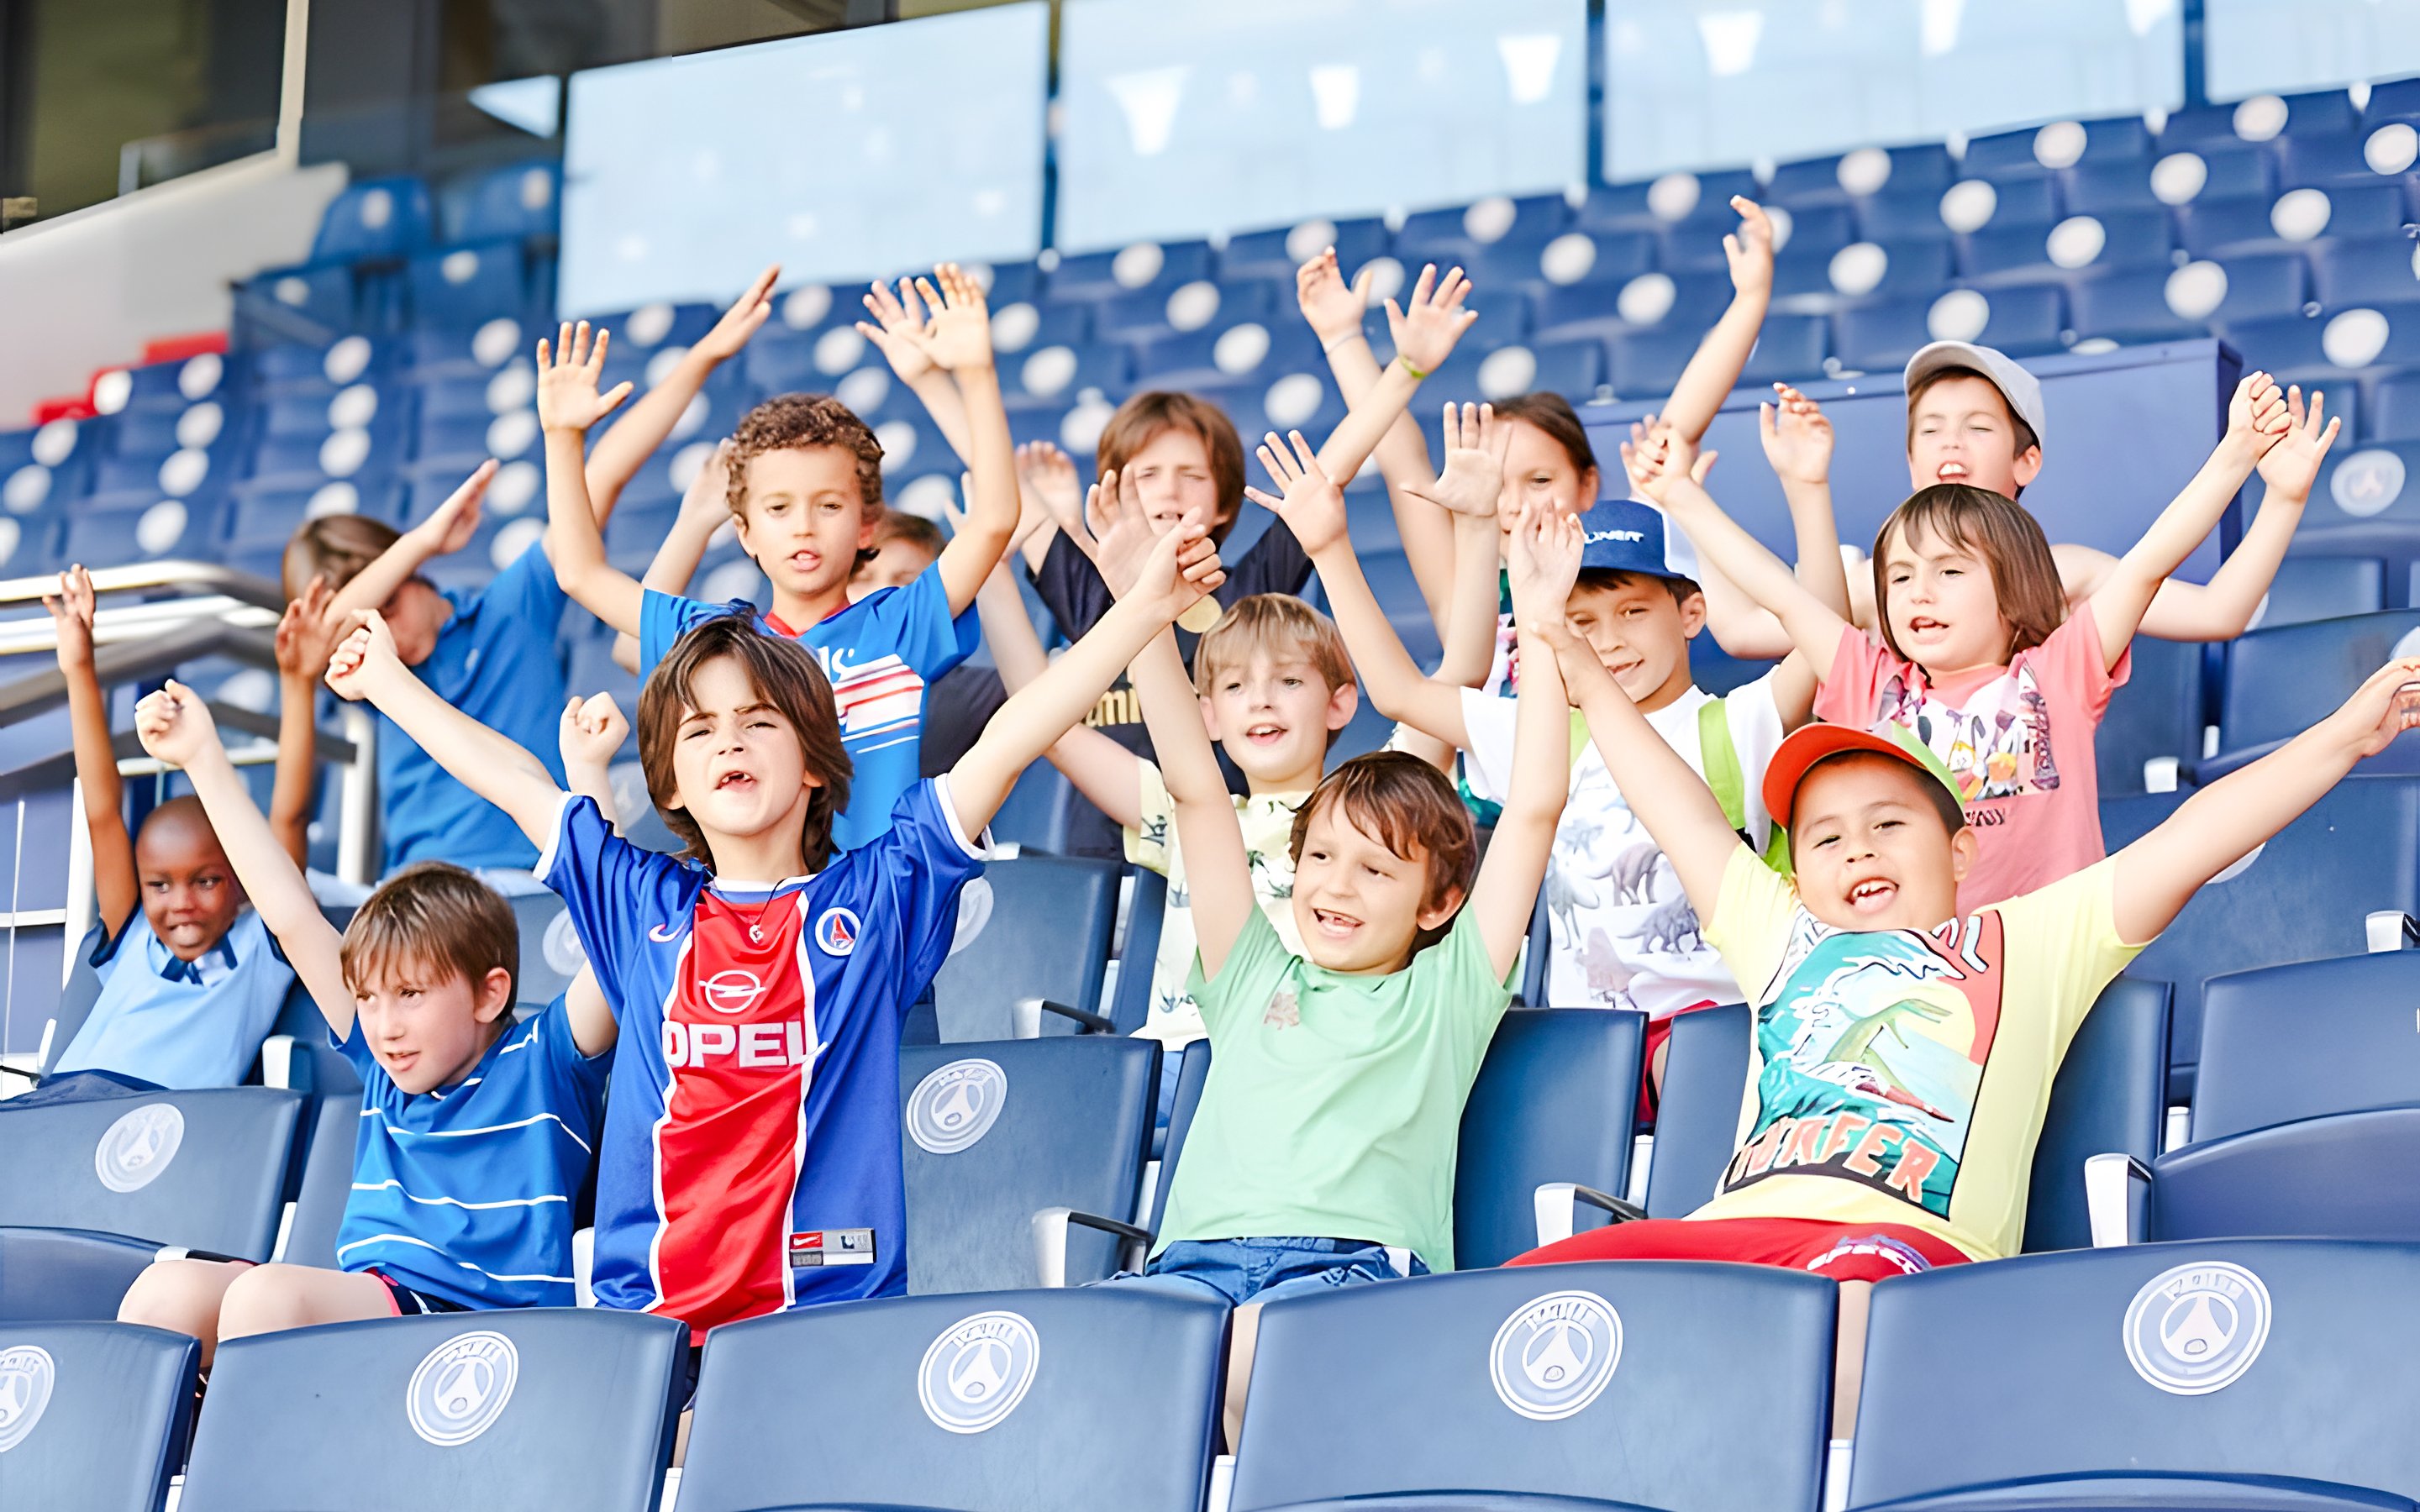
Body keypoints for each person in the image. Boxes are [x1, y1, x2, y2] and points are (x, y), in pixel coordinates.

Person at [319, 472, 1228, 1351]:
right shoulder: (639, 903)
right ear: (671, 777)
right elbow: (516, 782)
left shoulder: (878, 895)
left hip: (827, 1326)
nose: (730, 744)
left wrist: (1142, 610)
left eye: (758, 722)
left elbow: (1008, 741)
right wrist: (392, 685)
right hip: (653, 1335)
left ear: (815, 764)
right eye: (701, 731)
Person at [1508, 615, 2420, 1427]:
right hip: (1731, 1231)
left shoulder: (2031, 937)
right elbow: (1675, 808)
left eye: (1887, 824)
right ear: (1797, 872)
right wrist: (1580, 670)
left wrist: (2344, 735)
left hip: (1903, 1251)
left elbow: (2195, 838)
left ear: (1959, 850)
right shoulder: (1777, 930)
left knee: (1852, 1315)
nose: (1855, 846)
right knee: (1525, 1301)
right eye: (1824, 836)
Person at [1108, 436, 1569, 1449]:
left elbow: (1533, 809)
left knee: (1253, 1377)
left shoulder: (1448, 991)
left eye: (1375, 870)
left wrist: (1535, 624)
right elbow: (1194, 788)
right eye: (1320, 860)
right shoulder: (1251, 970)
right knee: (1114, 1387)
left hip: (1350, 1266)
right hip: (1193, 1262)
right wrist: (1140, 612)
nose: (1333, 888)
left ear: (1440, 902)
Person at [1627, 369, 2325, 906]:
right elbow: (1777, 593)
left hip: (2046, 959)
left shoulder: (2061, 671)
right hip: (1918, 965)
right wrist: (1681, 497)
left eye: (1949, 572)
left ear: (2015, 587)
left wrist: (2241, 458)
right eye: (1898, 579)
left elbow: (2149, 562)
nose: (1917, 593)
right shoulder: (1869, 679)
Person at [1315, 407, 1814, 1102]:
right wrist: (1328, 546)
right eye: (1581, 621)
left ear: (1691, 613)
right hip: (1580, 1038)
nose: (1608, 640)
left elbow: (1823, 633)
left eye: (1633, 611)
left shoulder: (1737, 722)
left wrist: (1805, 492)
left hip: (1711, 1030)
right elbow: (1399, 692)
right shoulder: (1545, 731)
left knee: (1698, 1099)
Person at [113, 684, 614, 1362]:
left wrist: (589, 776)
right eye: (370, 998)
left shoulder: (545, 1058)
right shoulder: (383, 1066)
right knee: (162, 1293)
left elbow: (613, 936)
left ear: (490, 994)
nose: (384, 1025)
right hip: (375, 1301)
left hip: (478, 1329)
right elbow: (290, 916)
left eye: (410, 994)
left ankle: (248, 1454)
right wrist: (203, 756)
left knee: (268, 1301)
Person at [539, 267, 1016, 852]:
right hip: (752, 921)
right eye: (779, 508)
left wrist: (975, 374)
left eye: (829, 505)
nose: (804, 528)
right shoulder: (712, 640)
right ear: (744, 532)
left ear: (867, 522)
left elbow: (995, 518)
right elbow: (579, 572)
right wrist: (562, 438)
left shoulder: (898, 628)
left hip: (877, 918)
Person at [1701, 340, 2333, 655]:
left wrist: (2282, 497)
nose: (1952, 442)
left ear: (2025, 459)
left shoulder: (2063, 572)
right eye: (1931, 429)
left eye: (1978, 427)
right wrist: (1683, 501)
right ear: (1911, 460)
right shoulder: (1879, 583)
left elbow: (2218, 612)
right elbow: (1742, 631)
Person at [30, 566, 292, 1099]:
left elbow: (288, 819)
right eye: (160, 884)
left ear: (242, 880)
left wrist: (300, 681)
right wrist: (80, 665)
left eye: (206, 881)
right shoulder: (131, 934)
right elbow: (103, 813)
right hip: (63, 1102)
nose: (181, 904)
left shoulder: (265, 944)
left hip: (163, 1124)